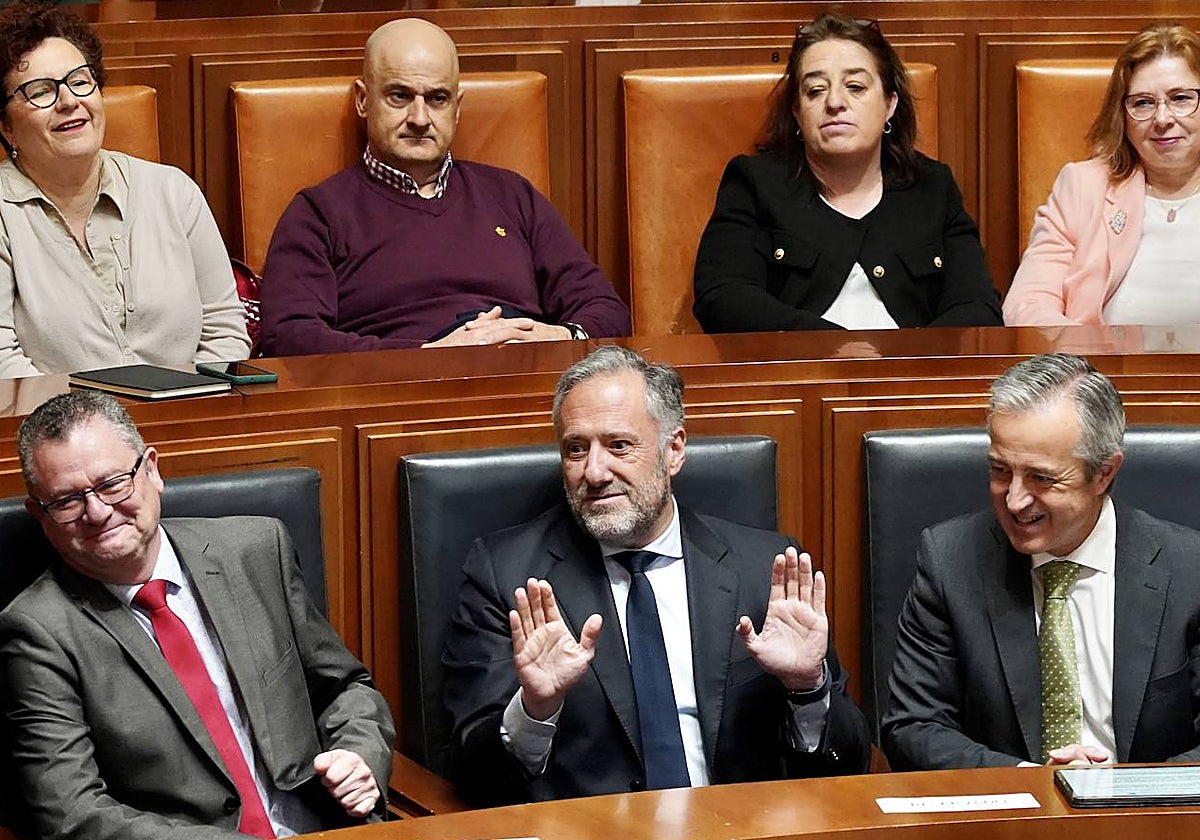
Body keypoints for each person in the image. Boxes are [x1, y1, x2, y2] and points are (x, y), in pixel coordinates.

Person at [442, 345, 870, 805]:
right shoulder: (505, 575)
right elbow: (472, 774)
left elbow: (847, 763)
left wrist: (806, 686)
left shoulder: (765, 569)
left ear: (674, 450)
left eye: (619, 445)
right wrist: (535, 709)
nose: (595, 471)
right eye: (575, 449)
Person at [0, 390, 394, 838]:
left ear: (152, 469)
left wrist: (359, 754)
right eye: (68, 500)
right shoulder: (37, 631)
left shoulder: (258, 550)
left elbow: (344, 688)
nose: (98, 512)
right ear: (40, 513)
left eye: (113, 483)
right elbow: (72, 814)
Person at [883, 352, 1200, 770]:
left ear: (1104, 472)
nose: (1014, 500)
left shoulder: (1188, 569)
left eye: (1042, 478)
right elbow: (913, 726)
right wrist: (1030, 781)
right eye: (1000, 471)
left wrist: (1121, 791)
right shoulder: (950, 560)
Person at [259, 18, 630, 354]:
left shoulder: (512, 195)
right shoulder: (319, 212)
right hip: (400, 403)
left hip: (530, 388)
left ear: (457, 107)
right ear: (362, 100)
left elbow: (608, 311)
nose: (419, 118)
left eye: (437, 99)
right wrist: (426, 355)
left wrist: (554, 336)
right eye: (400, 96)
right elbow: (290, 336)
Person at [692, 14, 1001, 333]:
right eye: (815, 91)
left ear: (889, 104)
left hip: (916, 377)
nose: (835, 102)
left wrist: (905, 359)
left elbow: (978, 307)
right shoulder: (755, 183)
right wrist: (834, 350)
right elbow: (722, 297)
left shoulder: (933, 187)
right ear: (797, 113)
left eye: (855, 87)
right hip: (795, 376)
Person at [0, 1, 250, 379]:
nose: (70, 102)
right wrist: (96, 430)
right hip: (54, 431)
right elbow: (4, 360)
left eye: (80, 81)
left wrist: (189, 405)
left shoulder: (173, 192)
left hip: (186, 418)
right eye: (41, 91)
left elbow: (224, 327)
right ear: (6, 127)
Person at [1006, 21, 1200, 328]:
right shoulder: (1083, 187)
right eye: (1142, 103)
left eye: (1181, 98)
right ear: (1121, 115)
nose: (1162, 119)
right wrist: (1087, 359)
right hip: (1106, 372)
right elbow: (1028, 303)